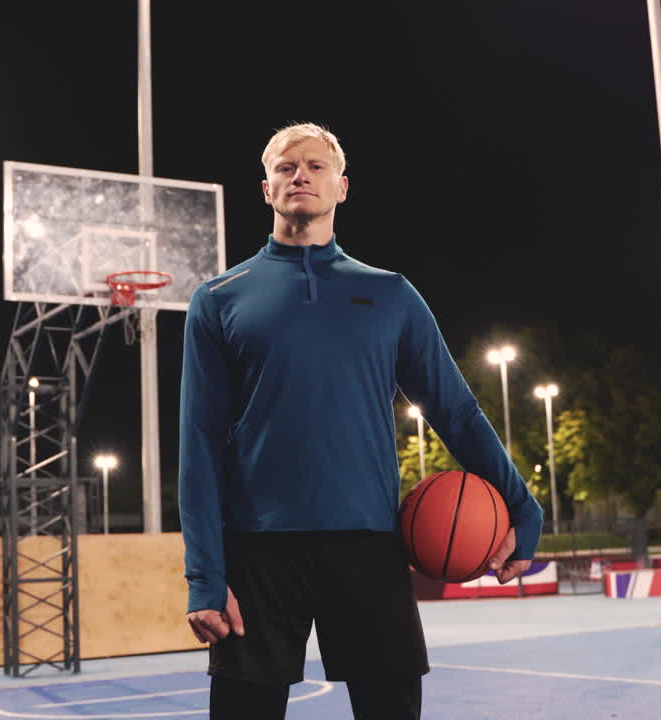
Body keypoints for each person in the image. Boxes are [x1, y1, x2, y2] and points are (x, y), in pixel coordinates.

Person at [178, 123, 544, 719]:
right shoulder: (219, 299)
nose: (301, 175)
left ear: (342, 187)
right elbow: (198, 444)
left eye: (316, 166)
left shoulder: (391, 294)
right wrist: (204, 574)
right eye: (286, 167)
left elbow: (456, 411)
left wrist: (523, 509)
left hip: (371, 547)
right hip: (257, 552)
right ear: (265, 188)